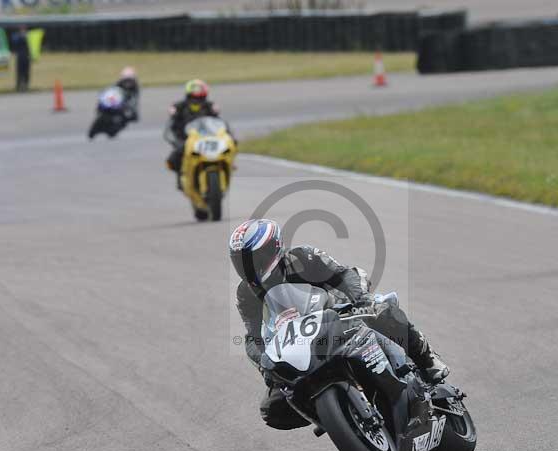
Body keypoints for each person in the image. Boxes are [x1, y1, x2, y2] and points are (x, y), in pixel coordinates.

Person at [229, 219, 450, 430]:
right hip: (298, 345)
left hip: (340, 316)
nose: (249, 267)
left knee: (384, 311)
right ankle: (336, 418)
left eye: (255, 258)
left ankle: (428, 360)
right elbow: (253, 336)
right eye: (241, 261)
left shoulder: (303, 257)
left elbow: (344, 275)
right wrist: (264, 364)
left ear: (274, 248)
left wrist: (361, 300)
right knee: (273, 408)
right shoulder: (245, 293)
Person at [164, 79, 220, 187]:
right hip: (185, 137)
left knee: (224, 147)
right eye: (194, 95)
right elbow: (172, 122)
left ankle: (224, 166)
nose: (196, 99)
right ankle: (180, 175)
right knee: (176, 155)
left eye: (199, 95)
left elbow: (218, 121)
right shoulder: (180, 106)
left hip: (206, 136)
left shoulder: (209, 105)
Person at [12, 26, 31, 92]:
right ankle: (18, 86)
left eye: (24, 30)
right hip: (20, 57)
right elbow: (14, 43)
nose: (23, 31)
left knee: (26, 72)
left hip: (26, 57)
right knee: (19, 72)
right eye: (22, 30)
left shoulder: (28, 37)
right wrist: (21, 37)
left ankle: (26, 85)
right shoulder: (17, 37)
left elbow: (30, 47)